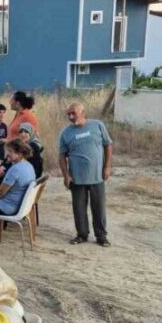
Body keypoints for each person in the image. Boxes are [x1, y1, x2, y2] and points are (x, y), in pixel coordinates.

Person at [59, 102, 113, 247]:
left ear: (82, 112)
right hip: (77, 178)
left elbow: (107, 145)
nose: (70, 116)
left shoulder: (97, 125)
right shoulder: (66, 133)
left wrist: (107, 167)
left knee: (99, 208)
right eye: (68, 114)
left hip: (97, 176)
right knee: (79, 208)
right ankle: (82, 235)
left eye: (73, 113)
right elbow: (62, 156)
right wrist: (66, 175)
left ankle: (101, 236)